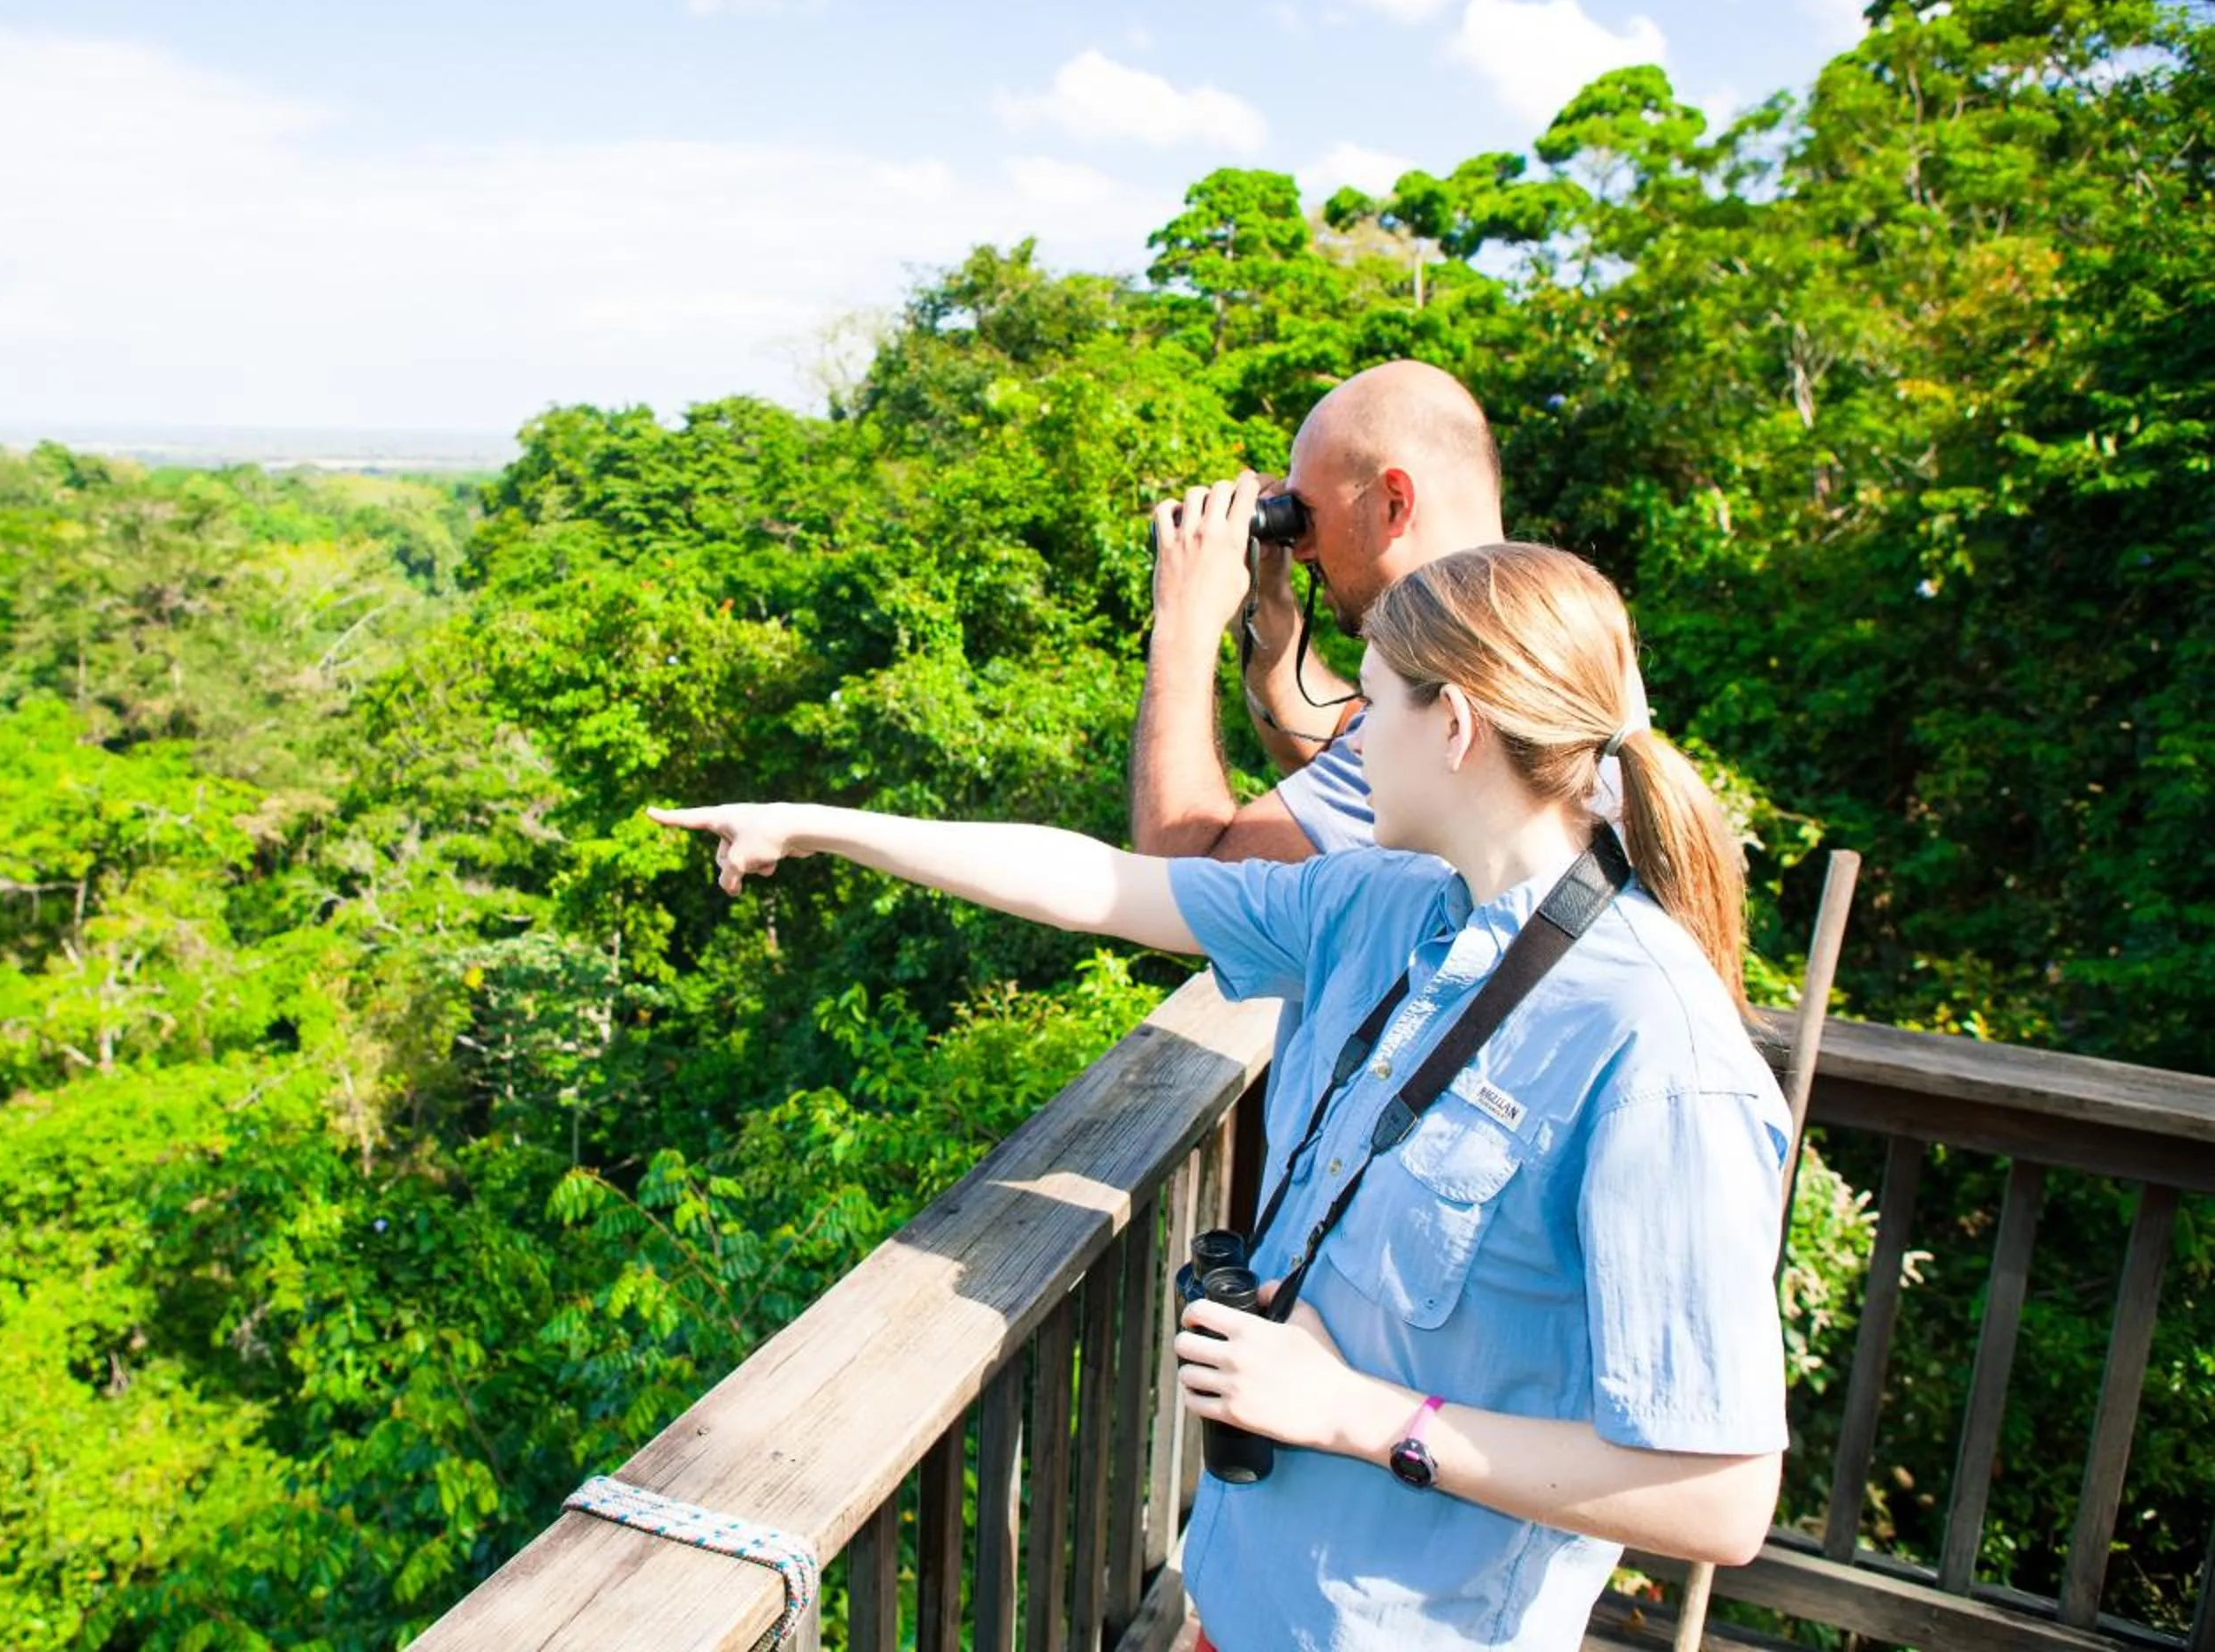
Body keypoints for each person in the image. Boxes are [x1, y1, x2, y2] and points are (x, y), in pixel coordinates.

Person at [653, 542, 1788, 1650]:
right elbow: (1100, 884)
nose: (1350, 734)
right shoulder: (1386, 908)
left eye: (1374, 701)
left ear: (1455, 726)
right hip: (1242, 1589)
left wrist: (1357, 1413)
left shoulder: (1655, 1053)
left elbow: (1718, 1496)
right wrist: (818, 825)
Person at [1132, 358, 1505, 867]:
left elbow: (1182, 878)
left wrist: (1183, 621)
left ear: (1394, 502)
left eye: (1308, 512)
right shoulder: (1524, 627)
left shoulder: (1463, 696)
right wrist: (1266, 596)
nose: (1302, 545)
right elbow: (1335, 738)